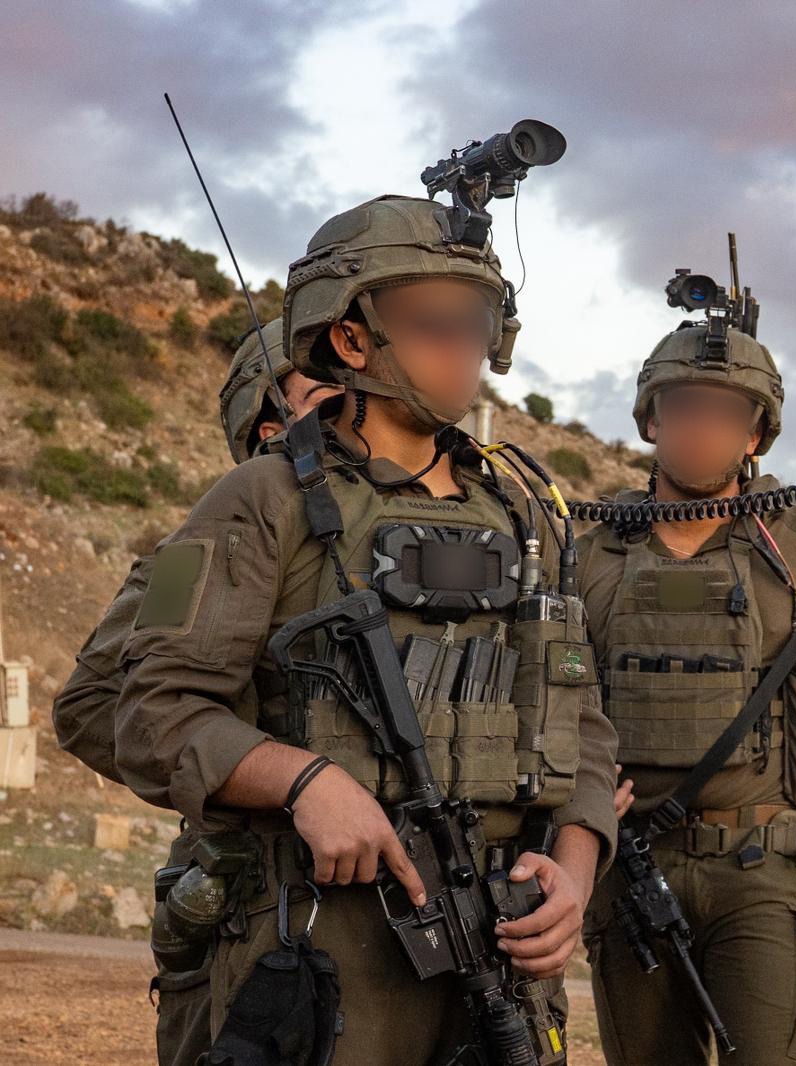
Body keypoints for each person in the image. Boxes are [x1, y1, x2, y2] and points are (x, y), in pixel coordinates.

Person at [108, 194, 618, 1065]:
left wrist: (573, 871)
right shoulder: (260, 500)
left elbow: (585, 730)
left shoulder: (523, 513)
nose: (466, 352)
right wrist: (303, 781)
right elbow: (151, 713)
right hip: (324, 946)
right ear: (351, 339)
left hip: (498, 942)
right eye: (435, 325)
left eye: (479, 326)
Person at [576, 312, 796, 1065]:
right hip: (629, 865)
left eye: (726, 412)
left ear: (756, 435)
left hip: (767, 871)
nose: (701, 427)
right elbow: (547, 698)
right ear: (650, 419)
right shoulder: (589, 556)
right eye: (684, 407)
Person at [52, 317, 338, 1066]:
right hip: (252, 890)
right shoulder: (196, 558)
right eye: (327, 396)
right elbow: (89, 708)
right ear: (271, 429)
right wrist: (245, 767)